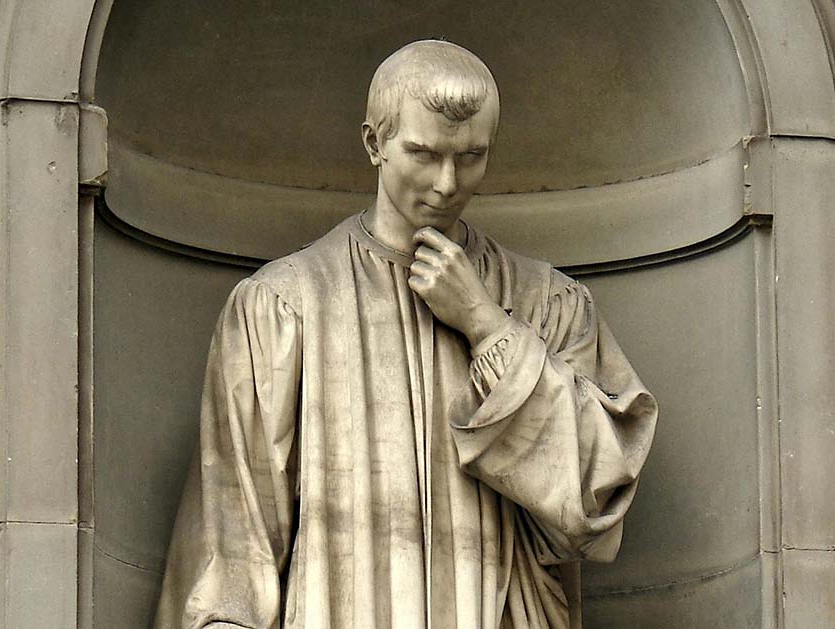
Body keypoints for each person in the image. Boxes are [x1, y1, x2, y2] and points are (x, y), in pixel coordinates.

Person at [154, 39, 657, 629]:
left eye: (471, 156)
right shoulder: (283, 306)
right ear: (375, 143)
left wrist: (486, 325)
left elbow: (596, 496)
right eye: (423, 152)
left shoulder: (548, 303)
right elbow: (234, 544)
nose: (448, 182)